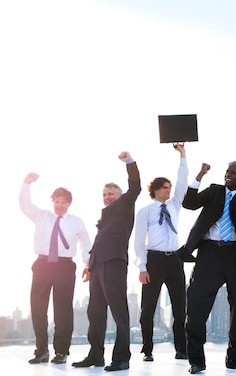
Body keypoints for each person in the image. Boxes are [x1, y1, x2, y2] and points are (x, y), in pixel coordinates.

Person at [176, 161, 236, 373]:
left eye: (233, 173)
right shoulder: (214, 191)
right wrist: (200, 174)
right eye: (227, 171)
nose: (228, 175)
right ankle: (196, 361)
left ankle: (234, 358)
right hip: (209, 254)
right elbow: (189, 203)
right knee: (195, 306)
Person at [72, 151, 141, 372]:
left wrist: (129, 163)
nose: (107, 196)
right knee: (95, 312)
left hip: (114, 264)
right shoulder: (105, 216)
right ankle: (96, 355)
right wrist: (89, 265)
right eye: (105, 194)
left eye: (111, 193)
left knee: (119, 311)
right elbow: (100, 242)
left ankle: (122, 358)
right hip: (97, 266)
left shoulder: (125, 205)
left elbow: (136, 187)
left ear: (120, 195)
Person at [19, 175, 92, 365]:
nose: (60, 205)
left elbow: (85, 244)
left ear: (69, 203)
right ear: (53, 202)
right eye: (57, 202)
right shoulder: (42, 215)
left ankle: (61, 351)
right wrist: (26, 183)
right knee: (38, 309)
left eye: (63, 202)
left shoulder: (76, 221)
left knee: (63, 311)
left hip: (65, 267)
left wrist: (88, 264)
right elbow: (25, 205)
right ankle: (41, 351)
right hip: (42, 265)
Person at [134, 143, 189, 362]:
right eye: (165, 187)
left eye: (169, 187)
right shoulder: (145, 211)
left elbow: (183, 181)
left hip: (174, 260)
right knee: (148, 309)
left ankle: (181, 349)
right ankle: (147, 350)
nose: (169, 190)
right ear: (156, 190)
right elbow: (138, 243)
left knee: (179, 309)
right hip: (153, 261)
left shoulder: (175, 205)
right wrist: (142, 267)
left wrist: (183, 155)